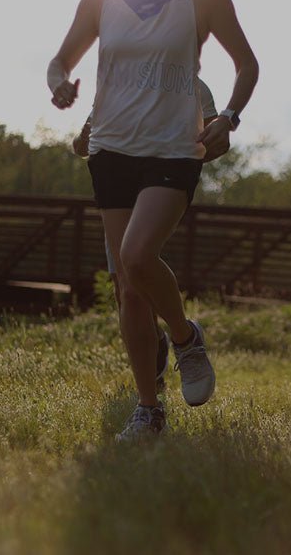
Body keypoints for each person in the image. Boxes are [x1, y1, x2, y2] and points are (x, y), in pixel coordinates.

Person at [48, 0, 259, 439]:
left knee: (137, 255)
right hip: (111, 149)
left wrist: (228, 117)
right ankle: (149, 408)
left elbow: (246, 65)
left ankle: (187, 340)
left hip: (172, 149)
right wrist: (59, 83)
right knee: (128, 288)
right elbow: (62, 57)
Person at [72, 77, 229, 392]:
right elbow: (82, 146)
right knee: (127, 292)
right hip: (117, 194)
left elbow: (220, 144)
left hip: (162, 190)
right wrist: (83, 140)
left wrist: (195, 146)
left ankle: (184, 339)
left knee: (139, 262)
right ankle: (151, 376)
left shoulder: (192, 86)